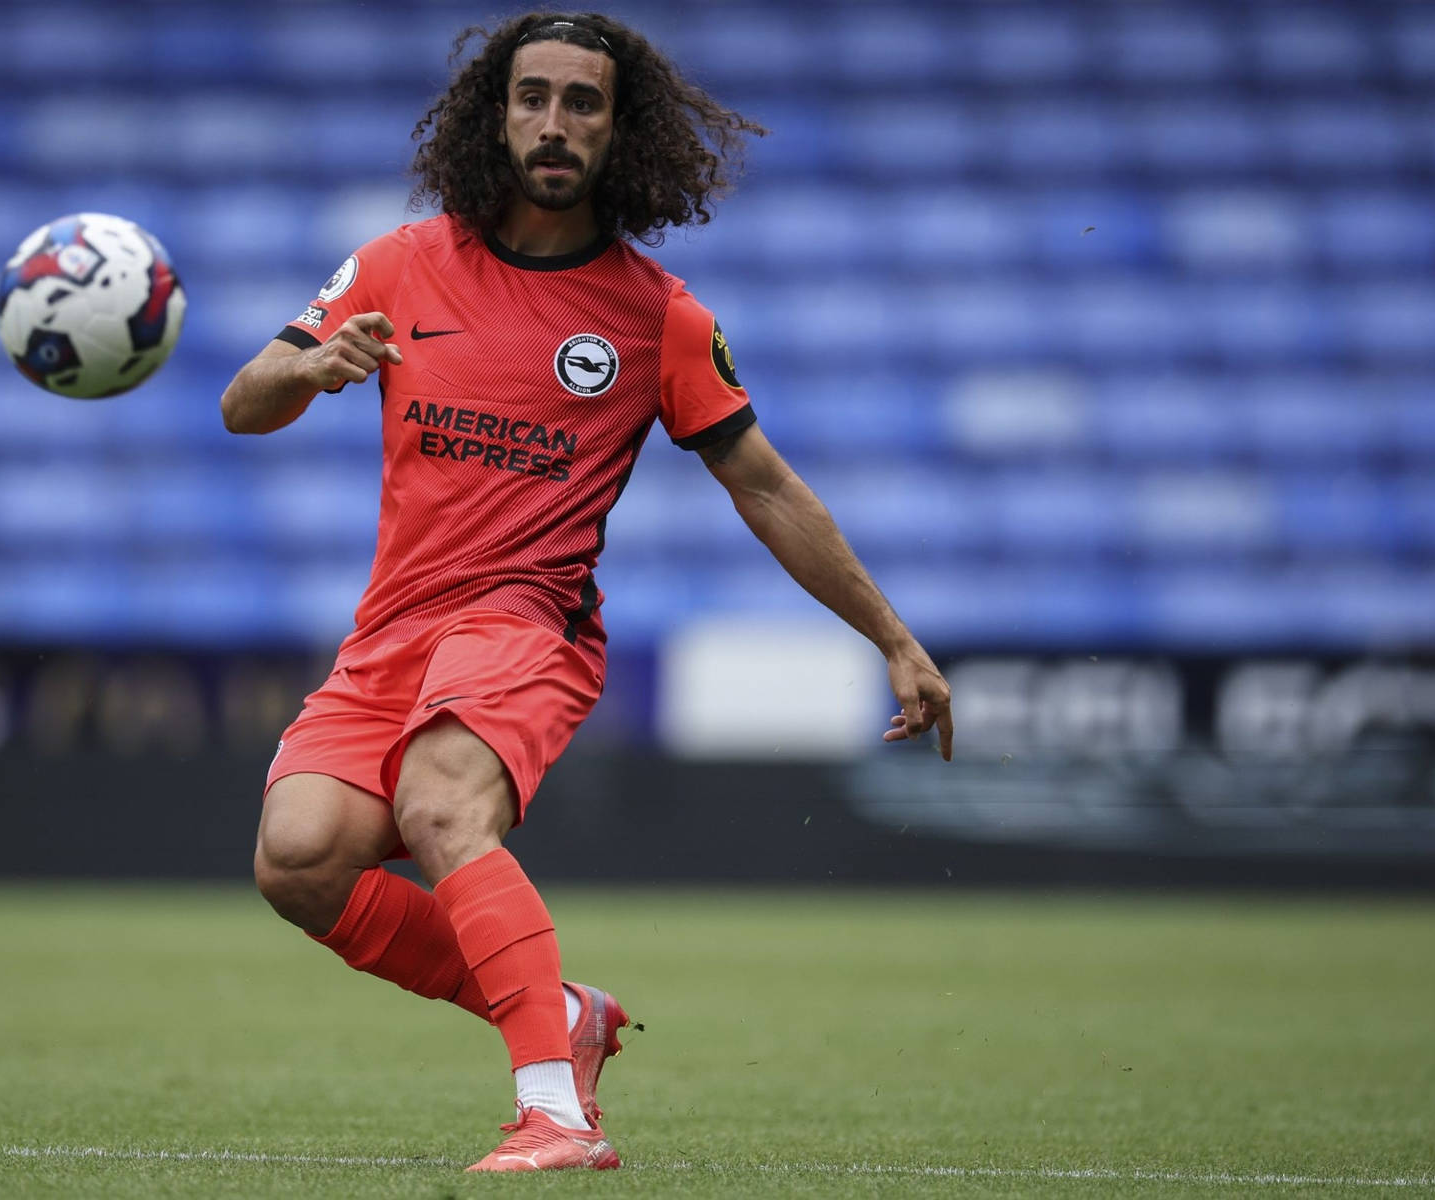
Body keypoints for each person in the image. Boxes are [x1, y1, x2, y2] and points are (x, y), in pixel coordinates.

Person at [219, 10, 953, 1173]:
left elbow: (765, 489)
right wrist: (307, 368)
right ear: (493, 115)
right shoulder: (398, 263)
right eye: (533, 97)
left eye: (584, 102)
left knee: (441, 803)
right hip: (393, 631)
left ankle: (553, 1111)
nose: (555, 122)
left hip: (527, 624)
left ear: (625, 131)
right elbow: (242, 401)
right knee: (298, 861)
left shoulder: (659, 317)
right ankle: (559, 1012)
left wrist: (894, 639)